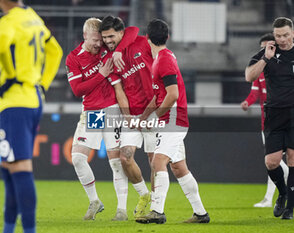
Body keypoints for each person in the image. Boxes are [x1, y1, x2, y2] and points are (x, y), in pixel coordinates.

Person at [0, 0, 63, 232]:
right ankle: (8, 228)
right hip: (33, 98)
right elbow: (56, 51)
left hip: (15, 101)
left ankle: (29, 229)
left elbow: (2, 50)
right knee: (9, 165)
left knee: (20, 166)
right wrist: (42, 83)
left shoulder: (8, 21)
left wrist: (11, 75)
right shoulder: (32, 17)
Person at [133, 19, 209, 224]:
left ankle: (157, 212)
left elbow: (172, 94)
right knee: (179, 167)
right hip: (171, 118)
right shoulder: (162, 58)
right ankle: (201, 213)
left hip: (173, 120)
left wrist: (156, 116)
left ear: (147, 38)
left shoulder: (164, 60)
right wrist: (143, 117)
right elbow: (158, 95)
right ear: (168, 37)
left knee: (158, 161)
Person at [66, 17, 139, 221]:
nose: (99, 44)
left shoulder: (107, 52)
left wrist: (115, 51)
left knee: (116, 162)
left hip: (112, 110)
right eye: (95, 40)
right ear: (84, 36)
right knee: (78, 158)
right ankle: (95, 201)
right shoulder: (73, 58)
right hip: (92, 112)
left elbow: (132, 30)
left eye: (101, 40)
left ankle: (122, 210)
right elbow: (77, 89)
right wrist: (100, 75)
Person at [100, 15, 155, 220]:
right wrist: (128, 116)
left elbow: (134, 28)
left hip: (154, 110)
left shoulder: (142, 42)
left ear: (121, 33)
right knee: (125, 157)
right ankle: (144, 195)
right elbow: (119, 91)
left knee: (154, 161)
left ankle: (156, 206)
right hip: (132, 114)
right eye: (104, 37)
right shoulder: (110, 58)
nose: (108, 41)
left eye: (111, 36)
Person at [245, 17, 294, 220]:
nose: (281, 39)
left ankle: (290, 207)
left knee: (292, 159)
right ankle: (282, 193)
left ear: (293, 33)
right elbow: (249, 76)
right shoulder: (267, 53)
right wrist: (266, 58)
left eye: (285, 35)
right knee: (271, 163)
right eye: (278, 35)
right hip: (274, 114)